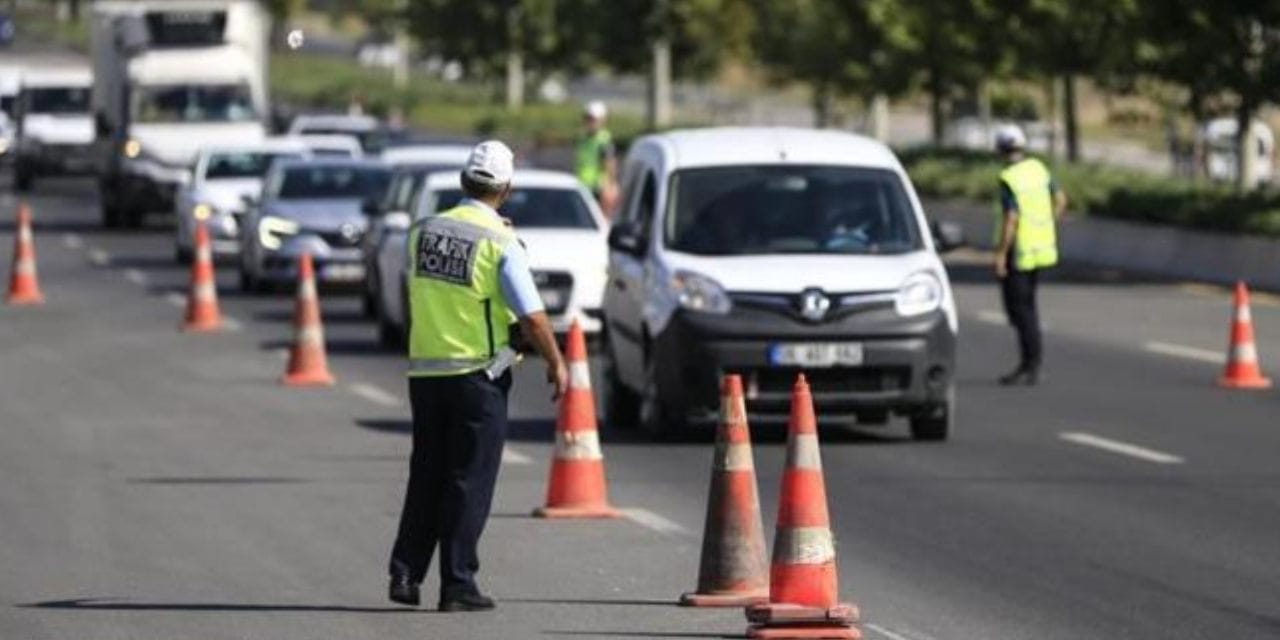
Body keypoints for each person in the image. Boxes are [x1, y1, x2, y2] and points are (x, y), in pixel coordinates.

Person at [388, 140, 569, 611]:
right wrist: (556, 361)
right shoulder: (500, 242)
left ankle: (405, 572)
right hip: (477, 376)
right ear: (506, 189)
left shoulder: (423, 232)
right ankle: (457, 584)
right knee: (468, 481)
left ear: (463, 181)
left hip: (426, 372)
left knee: (427, 474)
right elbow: (532, 317)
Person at [993, 124, 1067, 386]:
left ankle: (1030, 364)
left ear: (1000, 150)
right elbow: (1061, 200)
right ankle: (1030, 363)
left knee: (1020, 311)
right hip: (1040, 248)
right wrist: (1046, 225)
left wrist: (1001, 254)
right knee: (1028, 308)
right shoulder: (1038, 169)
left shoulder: (1009, 178)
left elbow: (1011, 218)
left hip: (1019, 251)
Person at [575, 100, 618, 215]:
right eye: (587, 118)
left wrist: (611, 187)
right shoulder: (583, 138)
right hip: (582, 186)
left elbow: (610, 164)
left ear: (602, 120)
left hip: (598, 189)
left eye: (593, 119)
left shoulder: (603, 140)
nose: (590, 122)